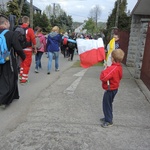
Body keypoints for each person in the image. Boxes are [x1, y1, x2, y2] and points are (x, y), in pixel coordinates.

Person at [0, 14, 26, 108]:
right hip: (8, 60)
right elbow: (18, 48)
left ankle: (14, 95)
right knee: (10, 78)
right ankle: (4, 100)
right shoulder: (11, 34)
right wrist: (23, 57)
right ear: (6, 23)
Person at [100, 49, 125, 128]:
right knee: (109, 103)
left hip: (110, 89)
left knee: (106, 104)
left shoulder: (113, 69)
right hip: (114, 88)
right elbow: (119, 76)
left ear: (113, 59)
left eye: (111, 57)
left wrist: (104, 71)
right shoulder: (118, 67)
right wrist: (107, 68)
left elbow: (104, 78)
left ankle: (109, 120)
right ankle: (108, 116)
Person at [19, 16, 37, 83]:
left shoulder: (18, 29)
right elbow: (33, 40)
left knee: (22, 63)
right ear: (28, 22)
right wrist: (35, 48)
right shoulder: (30, 30)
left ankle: (21, 75)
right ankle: (24, 79)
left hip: (20, 49)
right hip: (28, 49)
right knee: (27, 64)